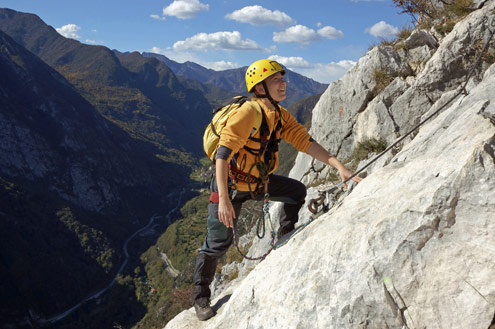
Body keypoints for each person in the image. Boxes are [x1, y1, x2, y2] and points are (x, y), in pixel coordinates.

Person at [192, 59, 362, 321]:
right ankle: (201, 297)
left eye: (283, 79)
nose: (283, 84)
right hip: (230, 185)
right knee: (217, 242)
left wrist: (340, 167)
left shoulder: (280, 116)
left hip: (258, 183)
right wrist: (224, 200)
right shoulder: (247, 113)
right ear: (260, 88)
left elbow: (305, 141)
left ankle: (284, 235)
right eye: (276, 80)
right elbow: (222, 155)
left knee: (296, 191)